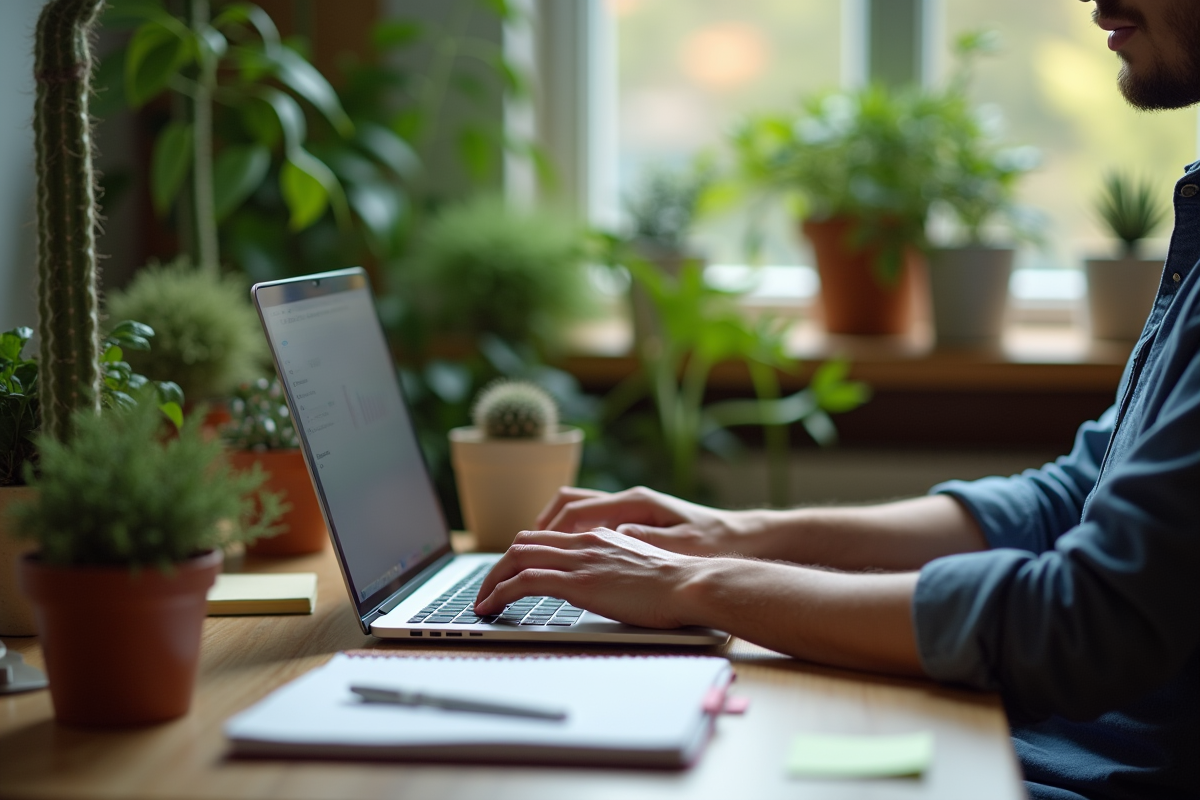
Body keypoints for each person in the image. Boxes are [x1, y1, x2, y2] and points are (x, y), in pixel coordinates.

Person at [475, 1, 1199, 797]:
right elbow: (1070, 500)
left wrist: (696, 585)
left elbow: (1085, 617)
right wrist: (732, 535)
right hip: (1016, 742)